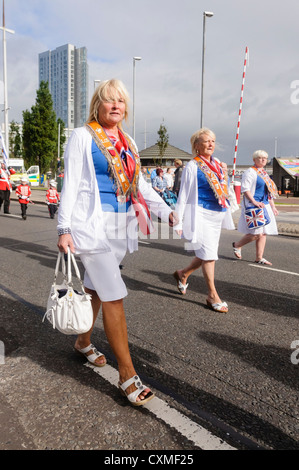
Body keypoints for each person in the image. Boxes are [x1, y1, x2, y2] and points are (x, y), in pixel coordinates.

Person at [57, 79, 177, 406]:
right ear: (97, 104)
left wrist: (165, 211)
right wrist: (63, 227)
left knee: (96, 287)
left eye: (120, 102)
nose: (115, 106)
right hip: (90, 225)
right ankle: (127, 374)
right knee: (113, 293)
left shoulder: (129, 143)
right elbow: (70, 184)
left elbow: (140, 186)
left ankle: (83, 341)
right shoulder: (82, 137)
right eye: (109, 100)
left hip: (120, 225)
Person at [173, 128, 235, 313]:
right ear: (196, 145)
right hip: (201, 213)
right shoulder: (193, 166)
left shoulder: (217, 164)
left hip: (217, 213)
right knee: (209, 255)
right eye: (206, 141)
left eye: (213, 141)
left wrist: (225, 175)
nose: (210, 144)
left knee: (206, 252)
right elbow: (183, 194)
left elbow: (224, 190)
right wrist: (178, 220)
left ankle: (183, 274)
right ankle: (212, 295)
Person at [232, 150, 279, 265]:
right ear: (254, 159)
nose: (263, 160)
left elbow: (269, 192)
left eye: (265, 158)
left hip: (265, 205)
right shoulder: (250, 172)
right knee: (256, 233)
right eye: (260, 158)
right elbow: (245, 189)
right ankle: (237, 245)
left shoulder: (264, 173)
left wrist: (273, 206)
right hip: (254, 206)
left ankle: (259, 257)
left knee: (263, 233)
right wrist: (254, 201)